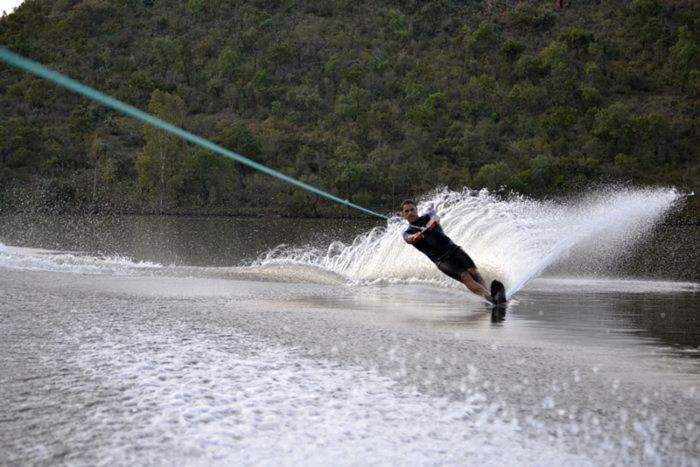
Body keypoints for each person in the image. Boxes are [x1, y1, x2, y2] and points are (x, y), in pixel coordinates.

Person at [400, 199, 493, 302]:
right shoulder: (407, 232)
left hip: (453, 249)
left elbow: (435, 217)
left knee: (473, 272)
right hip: (442, 261)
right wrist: (415, 237)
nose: (410, 213)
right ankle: (488, 296)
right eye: (407, 211)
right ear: (403, 215)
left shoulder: (428, 216)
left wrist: (431, 223)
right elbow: (408, 238)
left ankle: (491, 296)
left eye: (412, 209)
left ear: (417, 210)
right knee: (466, 277)